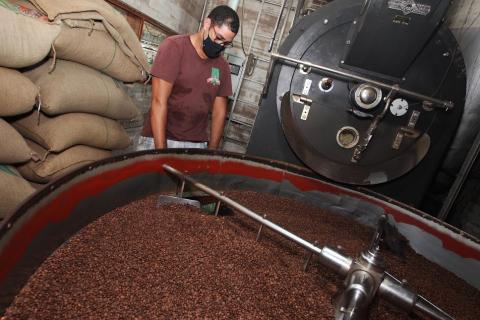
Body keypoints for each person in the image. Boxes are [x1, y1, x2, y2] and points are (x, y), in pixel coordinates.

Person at [138, 5, 239, 150]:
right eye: (218, 38)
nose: (220, 46)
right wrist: (160, 152)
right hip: (160, 138)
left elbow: (219, 112)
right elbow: (159, 102)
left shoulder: (222, 66)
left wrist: (212, 151)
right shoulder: (174, 47)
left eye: (226, 44)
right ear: (207, 24)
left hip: (196, 144)